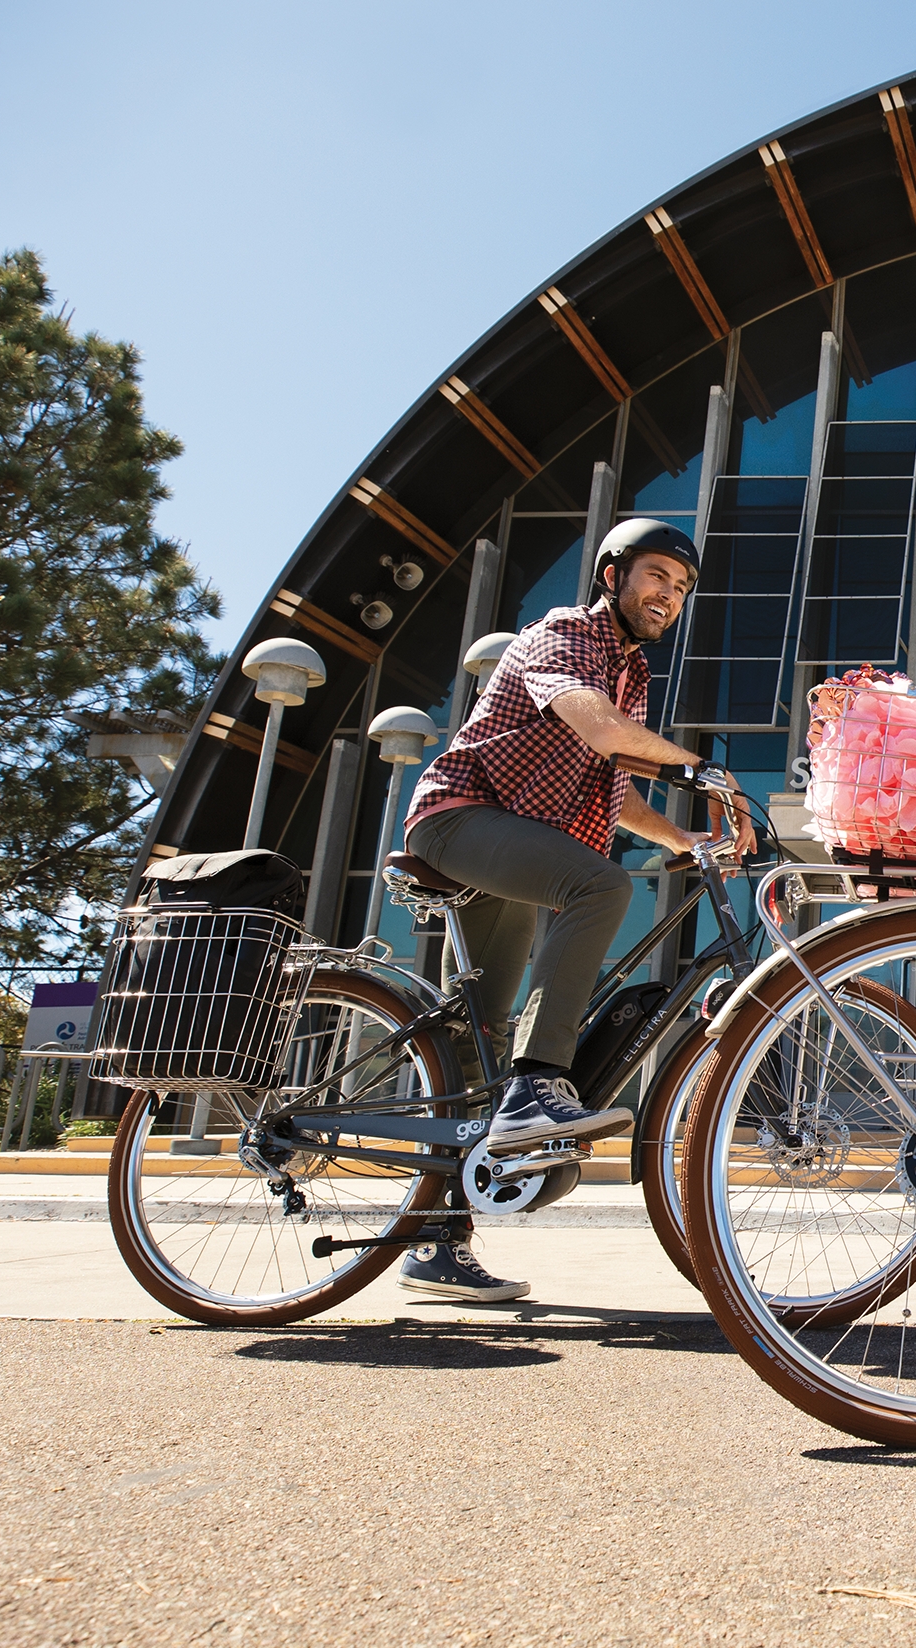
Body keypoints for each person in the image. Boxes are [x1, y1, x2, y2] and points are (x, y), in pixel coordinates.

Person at [392, 518, 738, 1300]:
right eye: (657, 575)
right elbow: (596, 726)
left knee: (476, 1034)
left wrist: (682, 837)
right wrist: (705, 768)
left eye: (682, 588)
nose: (670, 596)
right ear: (612, 575)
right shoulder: (565, 636)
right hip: (460, 819)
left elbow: (616, 785)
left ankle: (437, 1242)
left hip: (519, 848)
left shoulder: (634, 674)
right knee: (602, 887)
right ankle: (540, 1086)